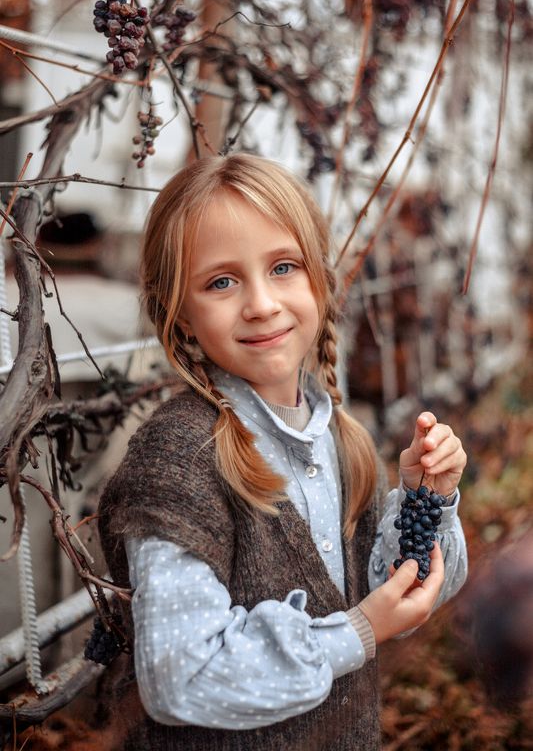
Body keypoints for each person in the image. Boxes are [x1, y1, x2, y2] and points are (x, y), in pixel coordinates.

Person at [98, 153, 468, 751]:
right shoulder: (180, 461)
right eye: (221, 281)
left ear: (318, 281)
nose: (262, 303)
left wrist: (429, 498)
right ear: (182, 317)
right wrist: (359, 631)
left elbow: (396, 594)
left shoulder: (335, 437)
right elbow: (178, 677)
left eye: (284, 267)